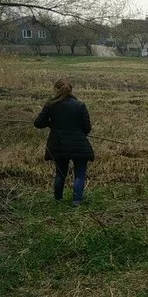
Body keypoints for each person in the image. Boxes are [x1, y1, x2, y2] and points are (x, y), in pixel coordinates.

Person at [33, 78, 94, 206]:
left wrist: (51, 124)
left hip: (58, 144)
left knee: (60, 174)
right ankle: (77, 201)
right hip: (79, 145)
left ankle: (58, 200)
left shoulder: (50, 105)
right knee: (79, 174)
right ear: (71, 90)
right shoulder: (80, 105)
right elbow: (87, 128)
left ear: (56, 89)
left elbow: (38, 123)